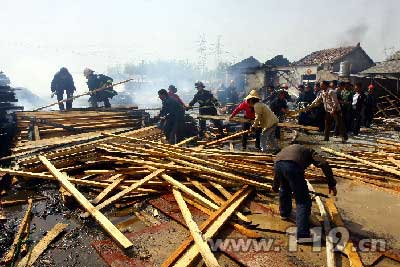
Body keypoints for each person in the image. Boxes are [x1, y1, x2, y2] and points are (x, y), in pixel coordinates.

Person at [273, 144, 337, 242]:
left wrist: (275, 186)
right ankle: (302, 235)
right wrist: (331, 183)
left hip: (277, 163)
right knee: (303, 201)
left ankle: (284, 213)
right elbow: (324, 164)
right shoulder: (311, 152)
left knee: (285, 189)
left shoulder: (291, 149)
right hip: (292, 167)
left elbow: (280, 168)